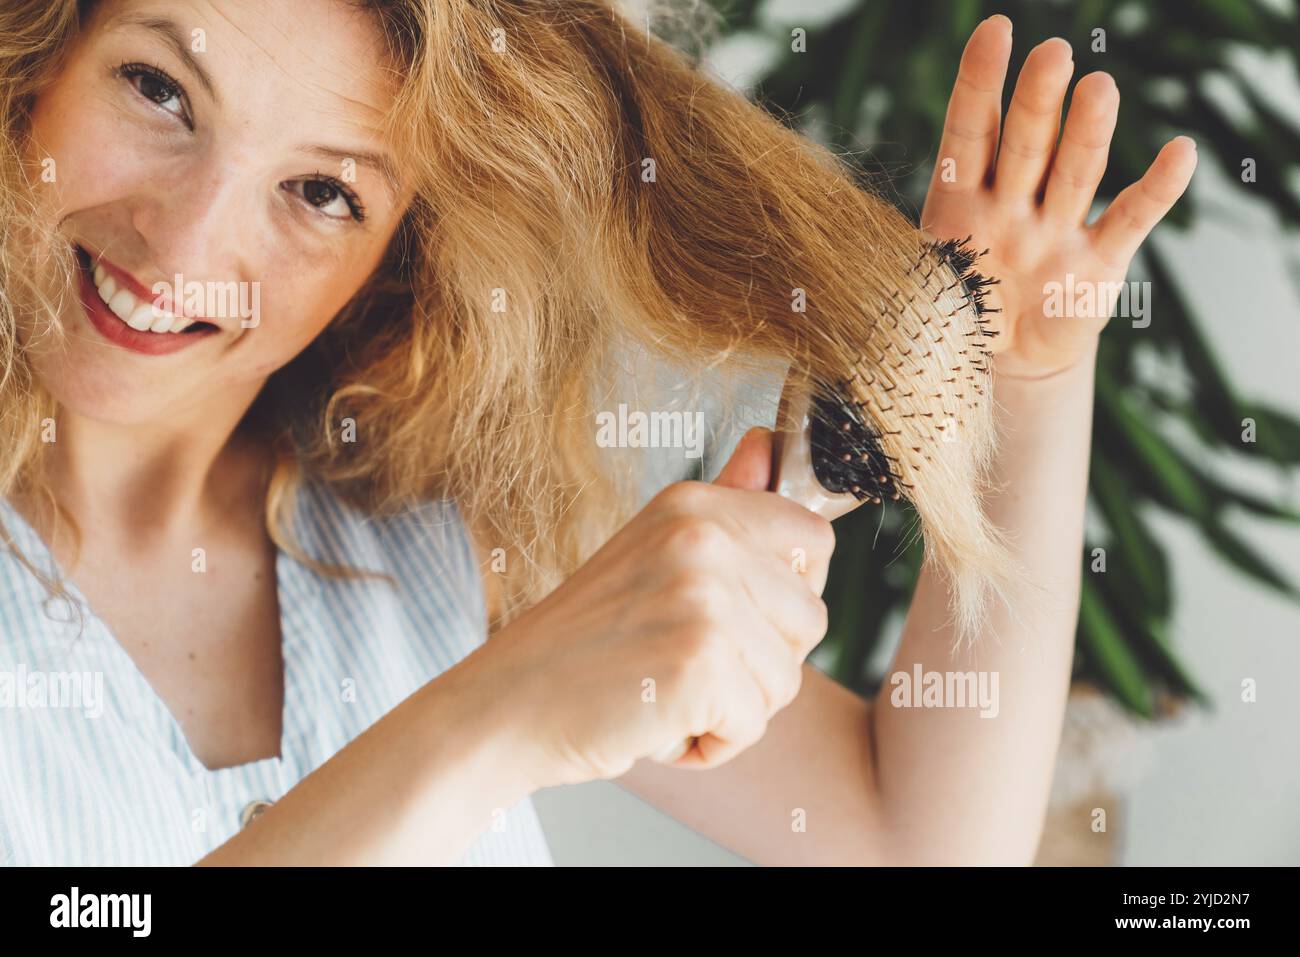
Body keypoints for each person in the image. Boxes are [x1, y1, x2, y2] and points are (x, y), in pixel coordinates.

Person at [0, 1, 1195, 865]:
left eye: (324, 192)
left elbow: (919, 843)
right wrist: (490, 718)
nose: (187, 244)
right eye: (158, 88)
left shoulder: (426, 532)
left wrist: (1029, 379)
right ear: (40, 57)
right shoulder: (511, 663)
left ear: (398, 253)